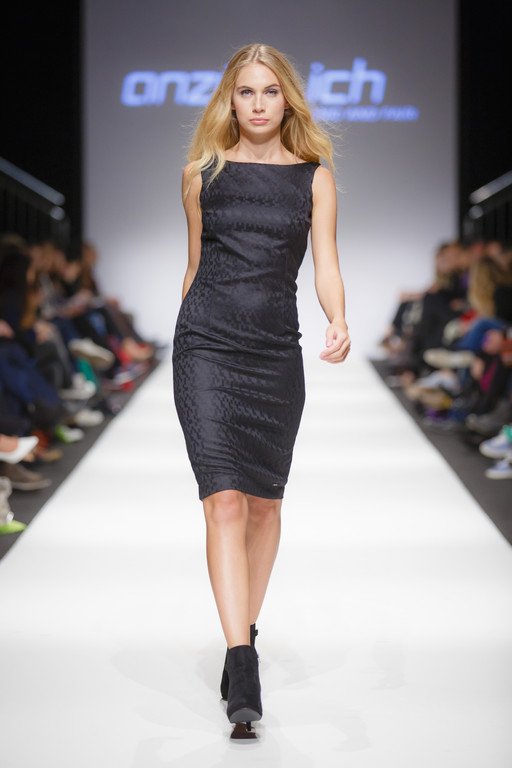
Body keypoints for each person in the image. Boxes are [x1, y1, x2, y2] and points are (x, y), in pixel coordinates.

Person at [171, 42, 350, 739]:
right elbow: (194, 267)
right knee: (222, 500)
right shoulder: (200, 175)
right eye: (245, 91)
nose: (257, 104)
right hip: (206, 346)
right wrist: (184, 349)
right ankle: (242, 662)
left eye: (269, 91)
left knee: (265, 506)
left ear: (287, 100)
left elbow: (326, 263)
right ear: (229, 99)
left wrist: (338, 317)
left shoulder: (315, 179)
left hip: (275, 352)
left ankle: (244, 627)